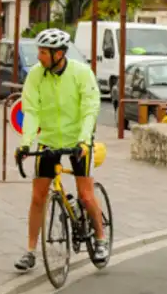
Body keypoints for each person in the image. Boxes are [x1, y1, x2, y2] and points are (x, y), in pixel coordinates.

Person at [13, 28, 105, 271]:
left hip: (78, 140)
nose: (39, 57)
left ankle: (100, 238)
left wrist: (85, 140)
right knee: (37, 197)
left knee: (86, 195)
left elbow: (90, 109)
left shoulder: (81, 73)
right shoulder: (36, 75)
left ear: (59, 54)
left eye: (43, 53)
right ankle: (30, 251)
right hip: (50, 140)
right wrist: (25, 143)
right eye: (39, 52)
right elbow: (31, 111)